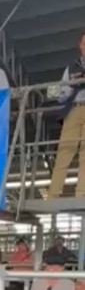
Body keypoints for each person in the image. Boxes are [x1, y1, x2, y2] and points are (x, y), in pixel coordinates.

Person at [48, 32, 85, 197]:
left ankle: (81, 194)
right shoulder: (71, 68)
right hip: (73, 109)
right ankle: (53, 195)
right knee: (64, 152)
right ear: (80, 46)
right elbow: (60, 94)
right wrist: (73, 85)